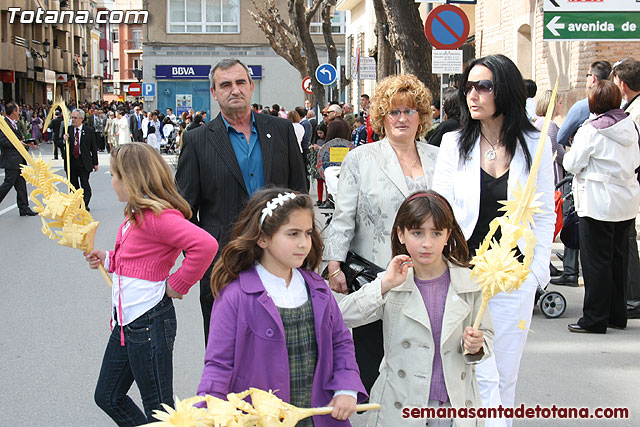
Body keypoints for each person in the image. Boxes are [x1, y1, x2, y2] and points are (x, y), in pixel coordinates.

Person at [432, 54, 554, 425]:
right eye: (468, 86)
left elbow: (545, 212)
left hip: (513, 275)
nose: (473, 94)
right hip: (463, 272)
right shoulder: (454, 143)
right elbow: (440, 210)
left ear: (505, 90)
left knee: (504, 374)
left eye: (483, 86)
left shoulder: (536, 144)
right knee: (473, 371)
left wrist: (536, 273)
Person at [197, 188, 366, 425]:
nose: (303, 243)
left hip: (317, 415)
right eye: (292, 234)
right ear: (262, 238)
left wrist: (346, 388)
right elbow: (219, 364)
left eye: (307, 233)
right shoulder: (235, 296)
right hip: (261, 420)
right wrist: (205, 411)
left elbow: (341, 343)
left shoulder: (317, 288)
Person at [84, 142, 218, 425]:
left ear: (131, 178)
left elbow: (205, 245)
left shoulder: (158, 217)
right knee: (108, 397)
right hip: (128, 322)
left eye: (114, 175)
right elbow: (138, 258)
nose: (112, 181)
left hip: (149, 322)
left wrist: (179, 283)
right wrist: (108, 258)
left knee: (159, 409)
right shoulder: (137, 214)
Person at [175, 58, 307, 344]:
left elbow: (300, 192)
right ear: (214, 92)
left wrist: (299, 244)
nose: (234, 90)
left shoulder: (281, 131)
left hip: (279, 257)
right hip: (222, 262)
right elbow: (183, 210)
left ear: (250, 86)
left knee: (283, 342)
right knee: (226, 348)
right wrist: (203, 253)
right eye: (225, 85)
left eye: (240, 82)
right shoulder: (197, 141)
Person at [324, 74, 439, 393]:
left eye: (410, 111)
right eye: (394, 111)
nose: (402, 118)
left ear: (422, 116)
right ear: (382, 117)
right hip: (375, 278)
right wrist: (335, 265)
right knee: (372, 367)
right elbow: (343, 217)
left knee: (420, 364)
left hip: (427, 278)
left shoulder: (440, 159)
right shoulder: (361, 159)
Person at [339, 191, 493, 427]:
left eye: (436, 233)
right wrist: (383, 285)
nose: (427, 243)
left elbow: (487, 336)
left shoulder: (469, 283)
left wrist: (477, 345)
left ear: (448, 235)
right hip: (401, 407)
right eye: (417, 232)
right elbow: (342, 317)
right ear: (401, 233)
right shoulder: (393, 281)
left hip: (454, 407)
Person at [564, 80, 640, 333]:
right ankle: (616, 316)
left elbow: (572, 164)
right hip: (626, 201)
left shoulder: (591, 130)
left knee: (596, 261)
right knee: (619, 259)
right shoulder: (630, 126)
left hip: (597, 201)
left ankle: (594, 319)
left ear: (594, 102)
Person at [553, 60, 612, 287]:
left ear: (593, 79)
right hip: (619, 193)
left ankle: (570, 270)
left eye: (588, 75)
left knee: (574, 220)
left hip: (584, 179)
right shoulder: (625, 117)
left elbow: (561, 139)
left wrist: (574, 143)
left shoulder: (583, 110)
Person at [611, 58, 640, 320]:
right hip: (630, 186)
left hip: (630, 184)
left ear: (622, 84)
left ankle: (633, 298)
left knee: (628, 243)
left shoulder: (634, 114)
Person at [0, 102, 38, 216]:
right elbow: (3, 141)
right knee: (8, 184)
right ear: (13, 112)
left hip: (18, 159)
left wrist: (26, 143)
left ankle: (24, 208)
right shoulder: (3, 124)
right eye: (18, 111)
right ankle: (24, 207)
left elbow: (17, 140)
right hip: (11, 160)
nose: (19, 113)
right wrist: (18, 144)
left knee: (21, 184)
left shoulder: (14, 124)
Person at [63, 108, 99, 211]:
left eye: (75, 118)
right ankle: (76, 204)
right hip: (71, 162)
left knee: (85, 185)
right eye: (72, 118)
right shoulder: (68, 129)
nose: (73, 120)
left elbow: (93, 148)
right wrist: (64, 139)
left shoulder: (89, 131)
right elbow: (59, 144)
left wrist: (95, 163)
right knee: (73, 186)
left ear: (81, 119)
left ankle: (84, 204)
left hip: (84, 162)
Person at [534, 90, 565, 185]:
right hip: (551, 173)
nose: (561, 106)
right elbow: (557, 151)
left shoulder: (542, 122)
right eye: (560, 103)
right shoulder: (547, 124)